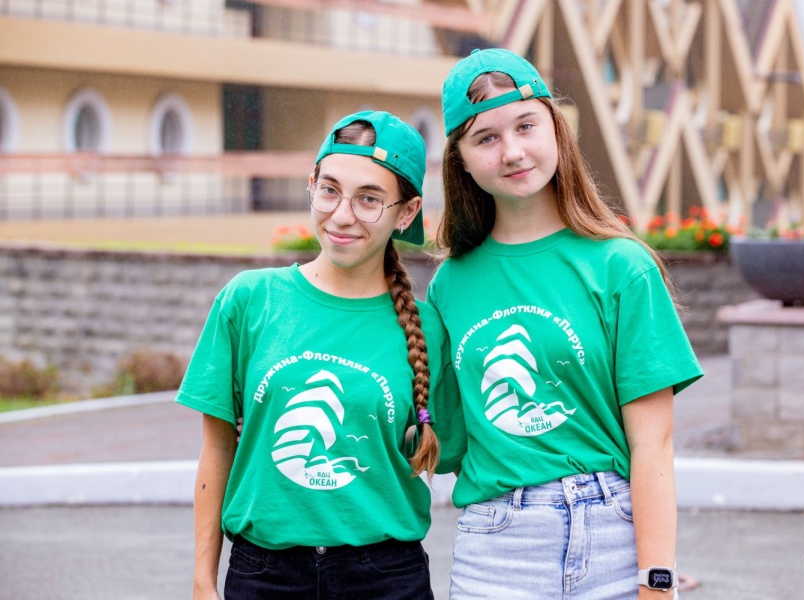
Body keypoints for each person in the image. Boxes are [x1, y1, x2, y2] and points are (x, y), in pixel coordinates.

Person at [427, 48, 704, 599]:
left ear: (556, 128)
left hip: (614, 541)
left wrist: (657, 582)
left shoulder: (622, 266)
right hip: (496, 551)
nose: (512, 151)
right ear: (460, 161)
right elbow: (448, 443)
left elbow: (653, 445)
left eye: (526, 126)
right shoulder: (449, 286)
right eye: (486, 138)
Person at [176, 110, 464, 600]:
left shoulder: (428, 328)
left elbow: (458, 452)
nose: (342, 215)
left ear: (407, 212)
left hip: (385, 579)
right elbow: (218, 449)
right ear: (311, 186)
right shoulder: (250, 300)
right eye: (330, 190)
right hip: (263, 576)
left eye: (369, 198)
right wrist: (203, 580)